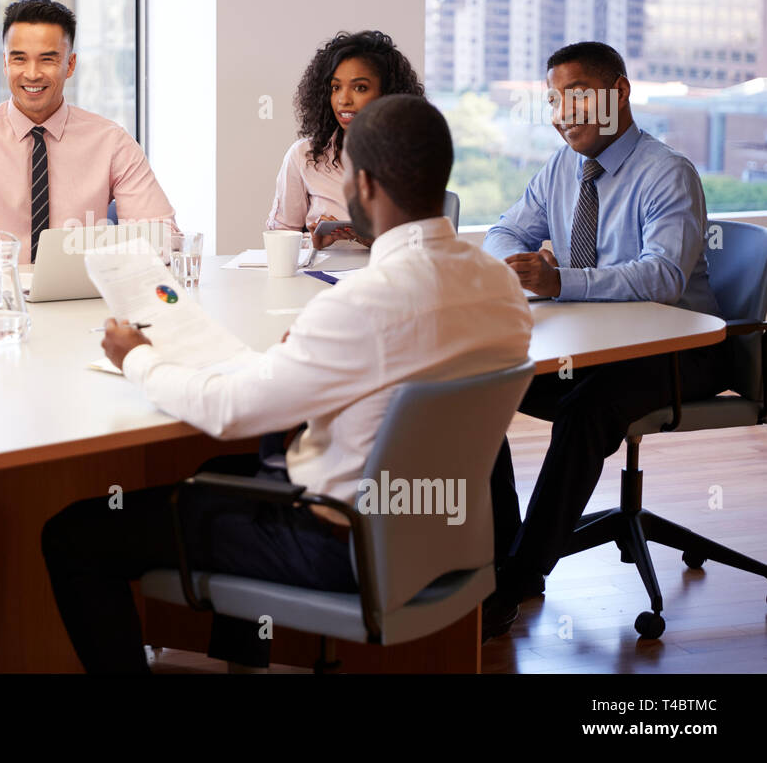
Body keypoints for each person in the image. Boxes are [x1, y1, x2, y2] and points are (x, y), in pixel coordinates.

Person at [41, 95, 532, 673]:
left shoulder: (362, 301)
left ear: (365, 185)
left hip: (337, 543)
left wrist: (138, 359)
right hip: (439, 536)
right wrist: (307, 361)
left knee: (74, 535)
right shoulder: (501, 289)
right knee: (223, 476)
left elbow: (227, 413)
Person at [480, 41, 731, 639]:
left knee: (586, 408)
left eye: (574, 96)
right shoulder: (561, 168)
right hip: (593, 347)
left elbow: (665, 277)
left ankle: (517, 575)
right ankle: (503, 552)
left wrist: (561, 279)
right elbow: (506, 228)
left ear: (618, 93)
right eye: (552, 100)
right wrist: (510, 262)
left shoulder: (667, 172)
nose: (561, 113)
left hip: (679, 352)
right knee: (480, 386)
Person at [0, 0, 176, 265]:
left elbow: (162, 231)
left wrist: (129, 251)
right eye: (19, 59)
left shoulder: (111, 142)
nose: (32, 74)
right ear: (5, 63)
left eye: (47, 60)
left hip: (82, 299)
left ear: (70, 65)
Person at [268, 30, 424, 249]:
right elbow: (280, 238)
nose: (343, 100)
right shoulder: (304, 155)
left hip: (388, 277)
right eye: (335, 87)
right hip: (319, 279)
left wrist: (375, 240)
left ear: (387, 94)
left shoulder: (411, 157)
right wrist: (313, 241)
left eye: (360, 88)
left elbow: (424, 244)